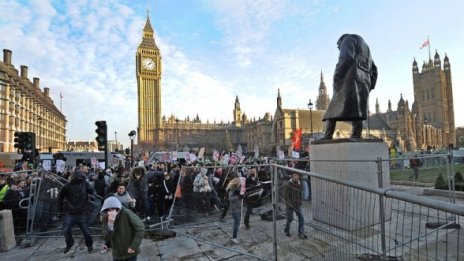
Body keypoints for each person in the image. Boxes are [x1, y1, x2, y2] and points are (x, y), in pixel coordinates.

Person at [322, 34, 378, 139]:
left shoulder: (348, 40)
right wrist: (370, 85)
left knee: (332, 110)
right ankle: (356, 135)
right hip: (363, 84)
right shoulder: (366, 48)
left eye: (339, 47)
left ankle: (327, 135)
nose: (339, 49)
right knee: (358, 112)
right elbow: (374, 70)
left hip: (348, 80)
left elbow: (345, 58)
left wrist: (337, 78)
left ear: (341, 41)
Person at [57, 170, 95, 254]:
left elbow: (92, 191)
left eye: (82, 178)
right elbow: (60, 197)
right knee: (66, 230)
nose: (80, 179)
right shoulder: (67, 186)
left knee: (87, 232)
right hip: (70, 212)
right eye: (79, 178)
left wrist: (93, 196)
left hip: (82, 212)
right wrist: (59, 210)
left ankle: (89, 245)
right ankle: (70, 243)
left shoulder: (85, 184)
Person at [101, 196, 145, 261]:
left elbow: (140, 228)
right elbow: (106, 237)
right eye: (108, 209)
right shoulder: (105, 218)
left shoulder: (127, 213)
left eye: (113, 209)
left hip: (130, 252)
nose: (111, 211)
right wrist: (110, 224)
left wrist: (134, 246)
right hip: (117, 254)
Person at [283, 172, 307, 239]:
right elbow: (286, 196)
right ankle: (286, 231)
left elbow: (301, 193)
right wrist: (290, 205)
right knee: (289, 219)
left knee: (301, 219)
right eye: (295, 175)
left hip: (297, 205)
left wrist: (300, 202)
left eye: (297, 176)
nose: (296, 177)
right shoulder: (288, 184)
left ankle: (301, 233)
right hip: (290, 206)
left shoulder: (300, 184)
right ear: (292, 176)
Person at [226, 177, 242, 244]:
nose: (239, 184)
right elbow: (230, 199)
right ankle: (234, 238)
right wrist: (238, 197)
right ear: (236, 183)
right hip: (234, 208)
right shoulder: (231, 190)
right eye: (238, 183)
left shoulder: (238, 189)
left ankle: (235, 236)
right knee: (237, 223)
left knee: (237, 223)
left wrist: (242, 195)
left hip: (239, 207)